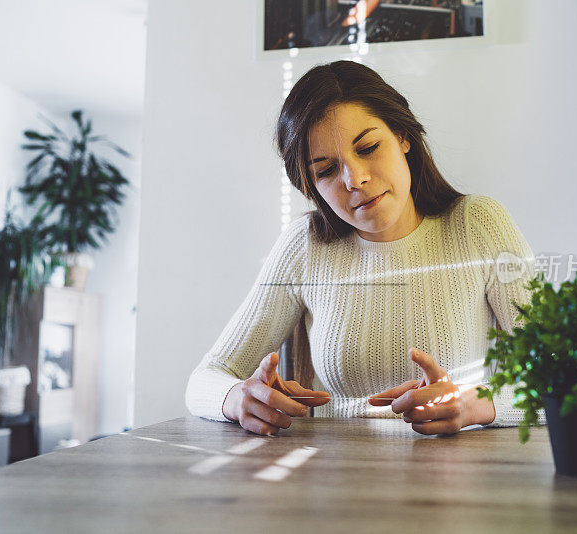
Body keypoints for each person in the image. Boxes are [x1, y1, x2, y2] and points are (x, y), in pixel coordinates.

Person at [185, 60, 542, 436]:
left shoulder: (478, 224)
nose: (355, 179)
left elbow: (566, 378)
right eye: (325, 170)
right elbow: (204, 380)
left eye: (369, 147)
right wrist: (239, 398)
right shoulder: (304, 246)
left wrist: (476, 404)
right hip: (338, 477)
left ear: (403, 136)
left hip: (455, 479)